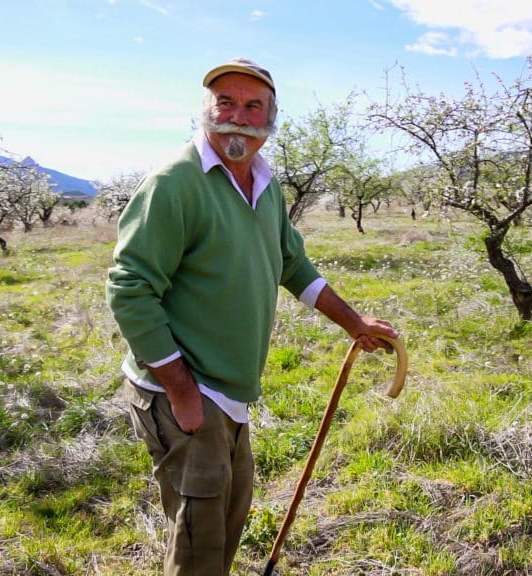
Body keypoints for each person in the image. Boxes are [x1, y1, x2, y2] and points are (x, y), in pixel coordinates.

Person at [106, 57, 397, 576]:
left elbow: (292, 264)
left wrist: (354, 322)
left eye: (252, 105)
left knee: (226, 521)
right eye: (226, 102)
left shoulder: (265, 183)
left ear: (270, 118)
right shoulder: (176, 182)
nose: (237, 116)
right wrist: (181, 391)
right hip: (187, 388)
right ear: (206, 110)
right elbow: (130, 288)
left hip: (229, 390)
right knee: (199, 544)